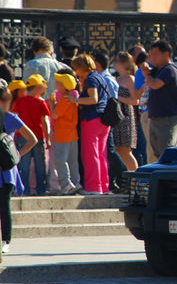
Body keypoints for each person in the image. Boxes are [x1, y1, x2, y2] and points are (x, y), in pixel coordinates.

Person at [0, 81, 37, 253]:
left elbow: (32, 138)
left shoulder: (11, 117)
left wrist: (18, 155)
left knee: (4, 205)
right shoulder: (9, 116)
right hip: (6, 168)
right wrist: (17, 154)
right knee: (4, 205)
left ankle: (6, 240)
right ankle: (5, 240)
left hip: (6, 169)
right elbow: (32, 139)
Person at [69, 55, 110, 195]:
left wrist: (76, 99)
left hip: (92, 119)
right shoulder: (99, 77)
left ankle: (93, 187)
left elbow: (93, 99)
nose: (75, 72)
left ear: (81, 67)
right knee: (101, 154)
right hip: (103, 121)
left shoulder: (91, 79)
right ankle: (103, 186)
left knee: (90, 154)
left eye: (76, 68)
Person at [140, 40, 177, 159]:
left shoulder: (169, 70)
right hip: (156, 118)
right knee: (155, 154)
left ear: (166, 54)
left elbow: (155, 84)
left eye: (155, 53)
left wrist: (147, 75)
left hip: (167, 120)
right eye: (150, 53)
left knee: (166, 154)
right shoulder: (158, 70)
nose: (151, 56)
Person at [13, 74, 51, 196]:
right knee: (40, 165)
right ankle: (41, 189)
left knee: (24, 164)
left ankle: (24, 190)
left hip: (22, 136)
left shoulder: (19, 101)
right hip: (38, 136)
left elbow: (15, 118)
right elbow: (45, 121)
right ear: (38, 87)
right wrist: (48, 138)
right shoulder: (41, 102)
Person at [93, 51, 126, 191]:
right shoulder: (104, 77)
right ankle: (113, 180)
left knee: (110, 150)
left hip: (106, 118)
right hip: (105, 118)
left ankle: (124, 175)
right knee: (107, 150)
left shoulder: (105, 78)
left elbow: (113, 99)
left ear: (98, 64)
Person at [50, 72, 80, 195]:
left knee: (60, 159)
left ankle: (66, 184)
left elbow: (55, 115)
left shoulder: (64, 99)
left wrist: (51, 103)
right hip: (72, 133)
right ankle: (75, 182)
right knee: (73, 160)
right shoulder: (72, 97)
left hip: (62, 133)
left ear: (63, 86)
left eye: (58, 82)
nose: (56, 84)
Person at [113, 52, 138, 171]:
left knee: (125, 150)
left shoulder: (130, 79)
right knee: (119, 149)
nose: (114, 63)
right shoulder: (117, 78)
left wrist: (118, 98)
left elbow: (135, 100)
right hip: (118, 116)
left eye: (116, 61)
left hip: (126, 117)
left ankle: (135, 179)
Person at [133, 49, 153, 164]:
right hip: (148, 112)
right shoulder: (140, 72)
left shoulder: (164, 68)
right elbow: (137, 94)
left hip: (153, 113)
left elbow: (135, 95)